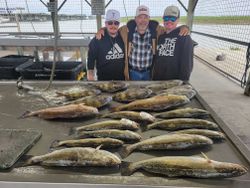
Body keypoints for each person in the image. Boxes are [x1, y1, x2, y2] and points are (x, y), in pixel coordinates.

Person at [96, 5, 190, 81]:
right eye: (140, 17)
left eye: (145, 17)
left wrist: (184, 27)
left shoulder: (158, 30)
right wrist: (102, 29)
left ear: (149, 19)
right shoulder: (125, 30)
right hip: (132, 72)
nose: (143, 20)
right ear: (135, 19)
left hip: (149, 73)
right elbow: (113, 29)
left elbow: (171, 28)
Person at [152, 5, 193, 81]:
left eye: (173, 18)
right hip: (158, 81)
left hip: (174, 83)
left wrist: (183, 83)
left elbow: (187, 65)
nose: (169, 21)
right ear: (163, 19)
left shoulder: (184, 37)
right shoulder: (161, 37)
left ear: (177, 20)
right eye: (166, 18)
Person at [87, 9, 125, 81]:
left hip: (121, 80)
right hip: (103, 80)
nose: (113, 25)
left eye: (116, 23)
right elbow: (90, 58)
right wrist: (90, 74)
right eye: (110, 23)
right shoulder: (97, 39)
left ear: (119, 24)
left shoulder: (123, 36)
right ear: (106, 23)